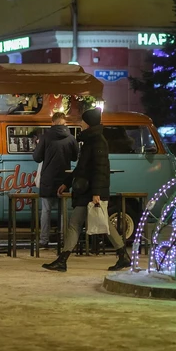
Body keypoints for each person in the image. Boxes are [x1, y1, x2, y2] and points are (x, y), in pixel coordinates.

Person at [43, 108, 131, 272]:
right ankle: (123, 255)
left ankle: (62, 260)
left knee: (76, 224)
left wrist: (96, 193)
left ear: (89, 123)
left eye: (83, 121)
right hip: (88, 190)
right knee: (102, 224)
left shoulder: (97, 142)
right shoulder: (92, 140)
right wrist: (67, 183)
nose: (80, 123)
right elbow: (82, 167)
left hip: (91, 191)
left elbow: (100, 169)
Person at [32, 111, 79, 249]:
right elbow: (75, 157)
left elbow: (37, 157)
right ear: (65, 122)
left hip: (48, 179)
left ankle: (44, 240)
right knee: (63, 211)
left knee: (46, 211)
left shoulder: (45, 137)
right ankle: (64, 239)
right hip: (64, 179)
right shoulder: (70, 138)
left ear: (52, 122)